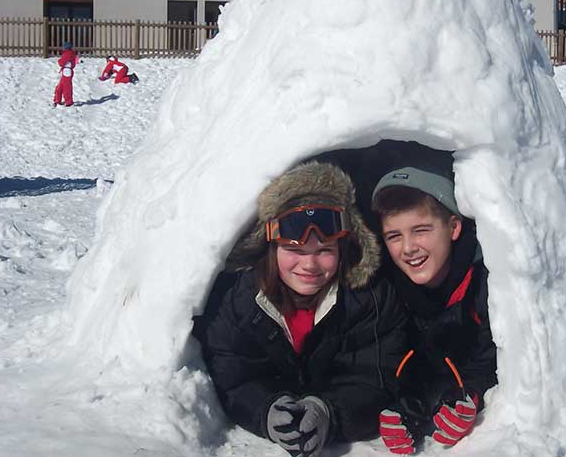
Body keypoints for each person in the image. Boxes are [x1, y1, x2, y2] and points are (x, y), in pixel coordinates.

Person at [194, 161, 408, 457]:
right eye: (294, 249)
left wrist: (329, 412)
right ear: (272, 249)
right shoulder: (240, 301)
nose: (309, 265)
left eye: (324, 251)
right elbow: (231, 376)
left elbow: (378, 378)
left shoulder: (370, 299)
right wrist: (265, 410)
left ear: (343, 250)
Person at [371, 164, 498, 454]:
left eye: (421, 230)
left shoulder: (488, 283)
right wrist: (406, 402)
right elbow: (387, 355)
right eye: (394, 236)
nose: (408, 248)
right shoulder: (387, 289)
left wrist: (469, 394)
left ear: (454, 227)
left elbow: (498, 358)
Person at [53, 41, 77, 107]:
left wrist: (59, 61)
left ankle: (68, 102)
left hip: (67, 71)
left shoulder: (67, 54)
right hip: (66, 71)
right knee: (60, 86)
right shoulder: (71, 53)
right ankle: (57, 100)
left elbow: (61, 62)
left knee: (66, 87)